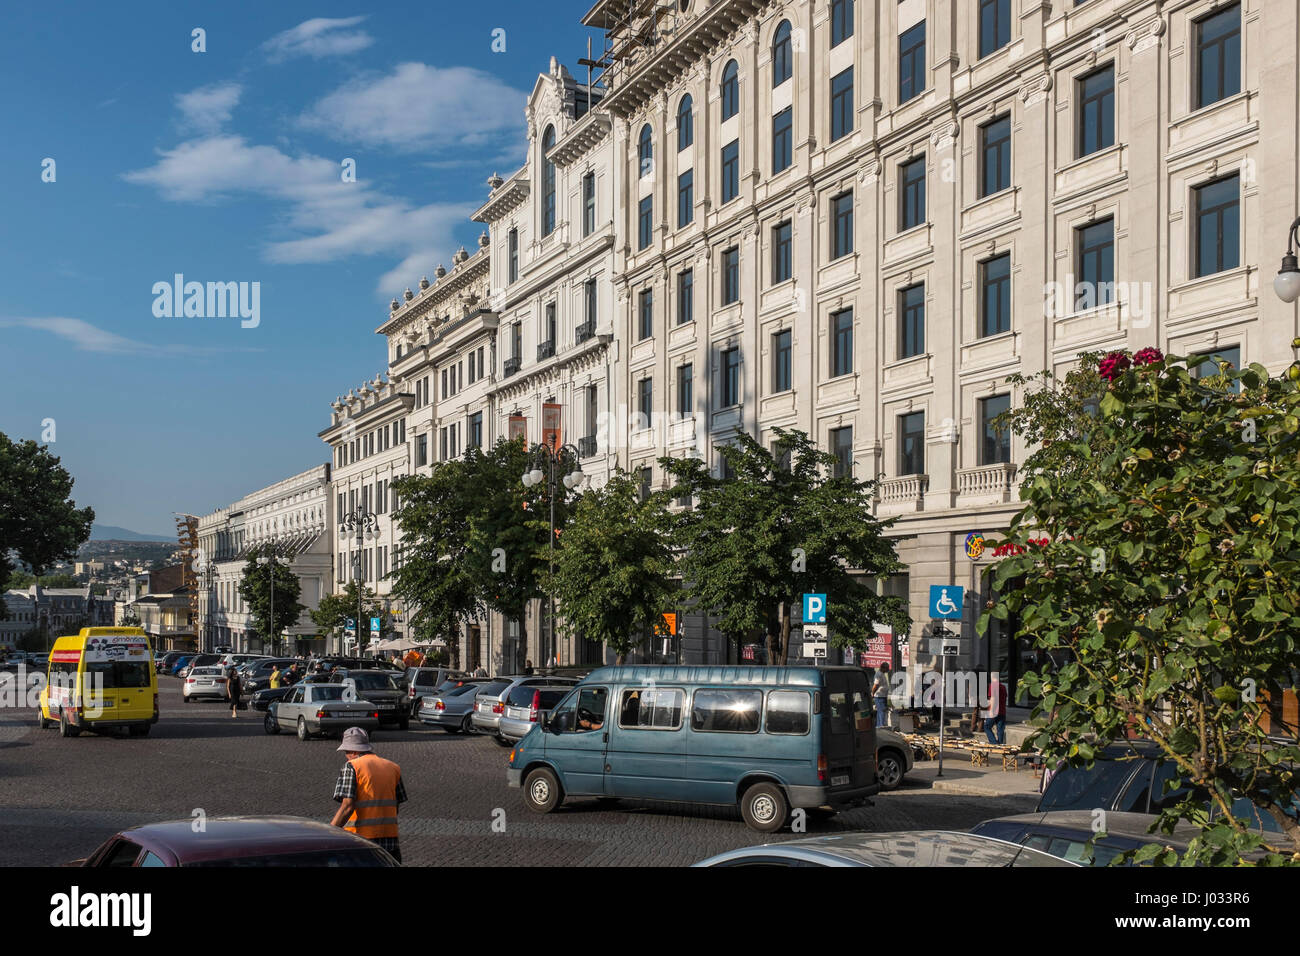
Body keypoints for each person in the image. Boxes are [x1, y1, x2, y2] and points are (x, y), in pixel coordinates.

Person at [329, 727, 407, 864]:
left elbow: (347, 806)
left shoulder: (352, 767)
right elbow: (396, 805)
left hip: (360, 841)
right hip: (390, 841)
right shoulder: (393, 767)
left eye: (346, 752)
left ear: (353, 751)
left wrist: (329, 832)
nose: (346, 756)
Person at [985, 675, 1009, 745]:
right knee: (1000, 729)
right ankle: (1000, 743)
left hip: (994, 710)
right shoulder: (1003, 687)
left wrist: (991, 710)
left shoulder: (992, 686)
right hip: (1002, 711)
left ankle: (994, 743)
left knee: (987, 727)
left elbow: (993, 698)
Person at [871, 664, 891, 729]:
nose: (888, 669)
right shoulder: (878, 674)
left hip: (883, 696)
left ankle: (879, 725)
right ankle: (881, 726)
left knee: (881, 711)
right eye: (887, 668)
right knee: (881, 711)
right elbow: (875, 685)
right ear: (883, 668)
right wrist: (872, 693)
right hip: (879, 696)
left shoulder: (882, 674)